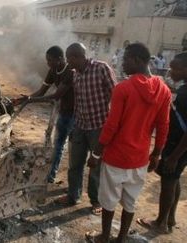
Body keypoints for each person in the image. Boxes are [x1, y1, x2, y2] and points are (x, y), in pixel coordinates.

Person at [85, 43, 172, 243]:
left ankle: (105, 237)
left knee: (108, 200)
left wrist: (96, 154)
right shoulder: (164, 90)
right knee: (130, 202)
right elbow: (163, 126)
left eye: (125, 59)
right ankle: (121, 239)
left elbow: (111, 125)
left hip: (116, 157)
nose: (122, 64)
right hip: (140, 158)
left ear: (137, 60)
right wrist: (156, 154)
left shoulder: (123, 88)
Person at [55, 43, 117, 215]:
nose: (68, 62)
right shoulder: (75, 75)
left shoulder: (101, 68)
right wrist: (74, 127)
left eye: (69, 58)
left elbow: (116, 96)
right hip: (80, 126)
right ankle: (73, 195)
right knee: (75, 164)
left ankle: (95, 200)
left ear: (77, 56)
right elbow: (79, 103)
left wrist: (112, 125)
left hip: (99, 127)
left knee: (96, 167)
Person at [137, 52, 187, 234]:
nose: (171, 71)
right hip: (177, 146)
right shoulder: (183, 90)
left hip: (177, 147)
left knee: (168, 181)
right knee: (174, 180)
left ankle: (160, 222)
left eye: (176, 68)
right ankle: (170, 218)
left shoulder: (186, 94)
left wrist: (174, 156)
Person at [12, 46, 75, 183]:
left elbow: (56, 95)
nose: (48, 63)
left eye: (50, 60)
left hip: (77, 115)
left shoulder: (70, 72)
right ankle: (51, 175)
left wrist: (32, 100)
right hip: (63, 112)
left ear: (59, 59)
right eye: (47, 60)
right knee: (58, 145)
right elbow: (41, 92)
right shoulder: (53, 70)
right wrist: (25, 99)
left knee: (74, 151)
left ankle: (72, 185)